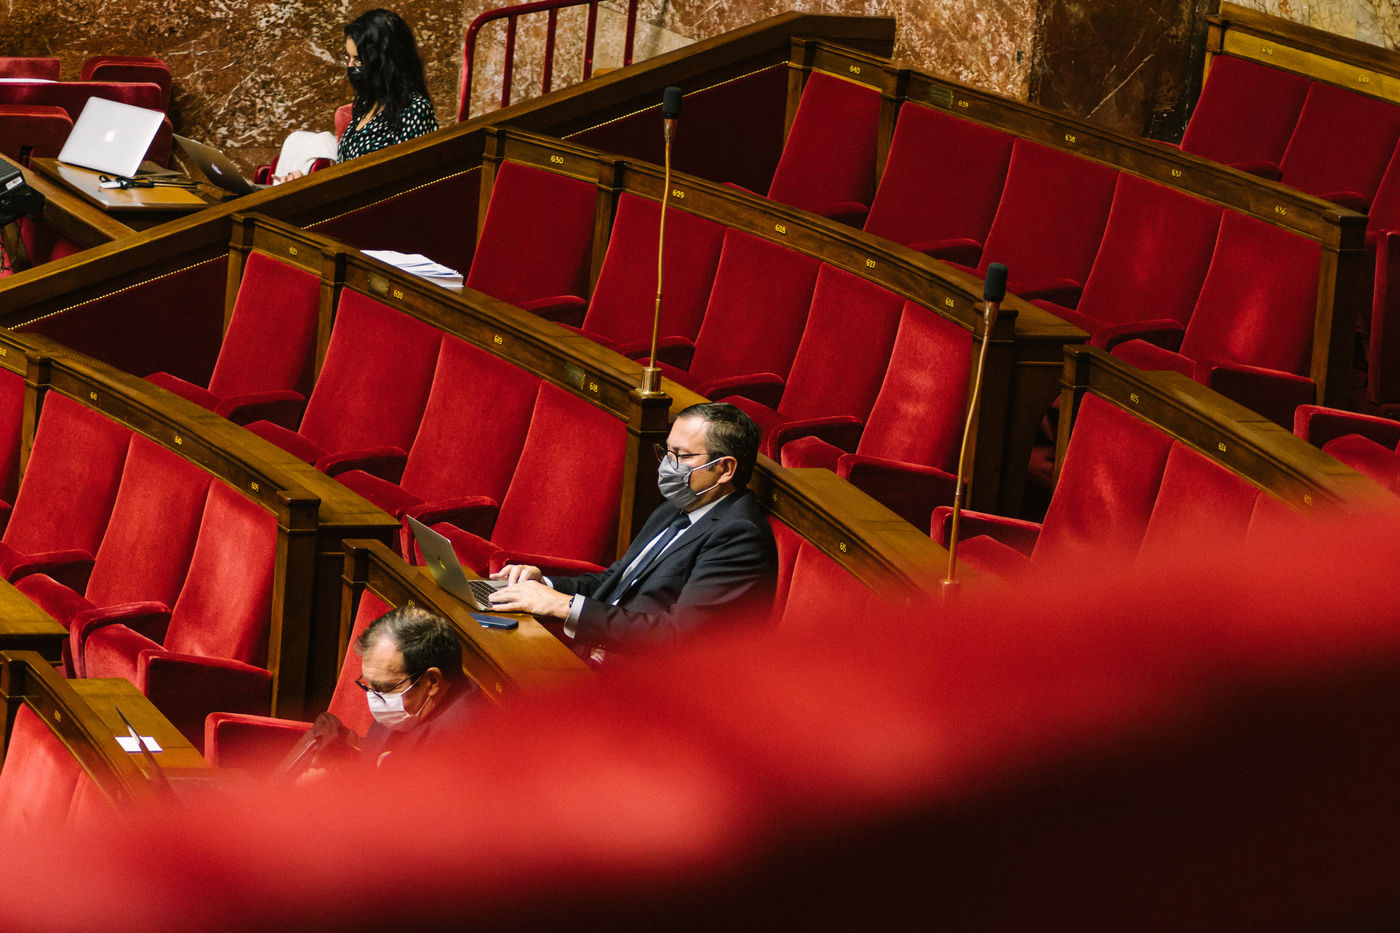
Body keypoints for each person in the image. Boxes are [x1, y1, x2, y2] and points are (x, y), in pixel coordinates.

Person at [489, 402, 778, 660]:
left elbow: (677, 637)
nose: (667, 465)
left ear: (725, 469)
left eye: (681, 455)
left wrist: (565, 606)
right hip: (592, 655)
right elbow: (616, 580)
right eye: (667, 451)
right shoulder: (675, 508)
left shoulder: (739, 535)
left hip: (643, 688)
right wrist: (544, 586)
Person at [276, 9, 437, 182]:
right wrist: (304, 181)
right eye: (349, 58)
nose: (351, 66)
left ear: (385, 62)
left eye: (358, 60)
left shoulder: (416, 110)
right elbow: (344, 172)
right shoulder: (367, 104)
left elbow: (412, 182)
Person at [354, 603, 478, 762]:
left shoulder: (462, 744)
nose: (374, 698)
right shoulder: (408, 702)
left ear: (432, 681)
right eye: (369, 685)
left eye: (383, 687)